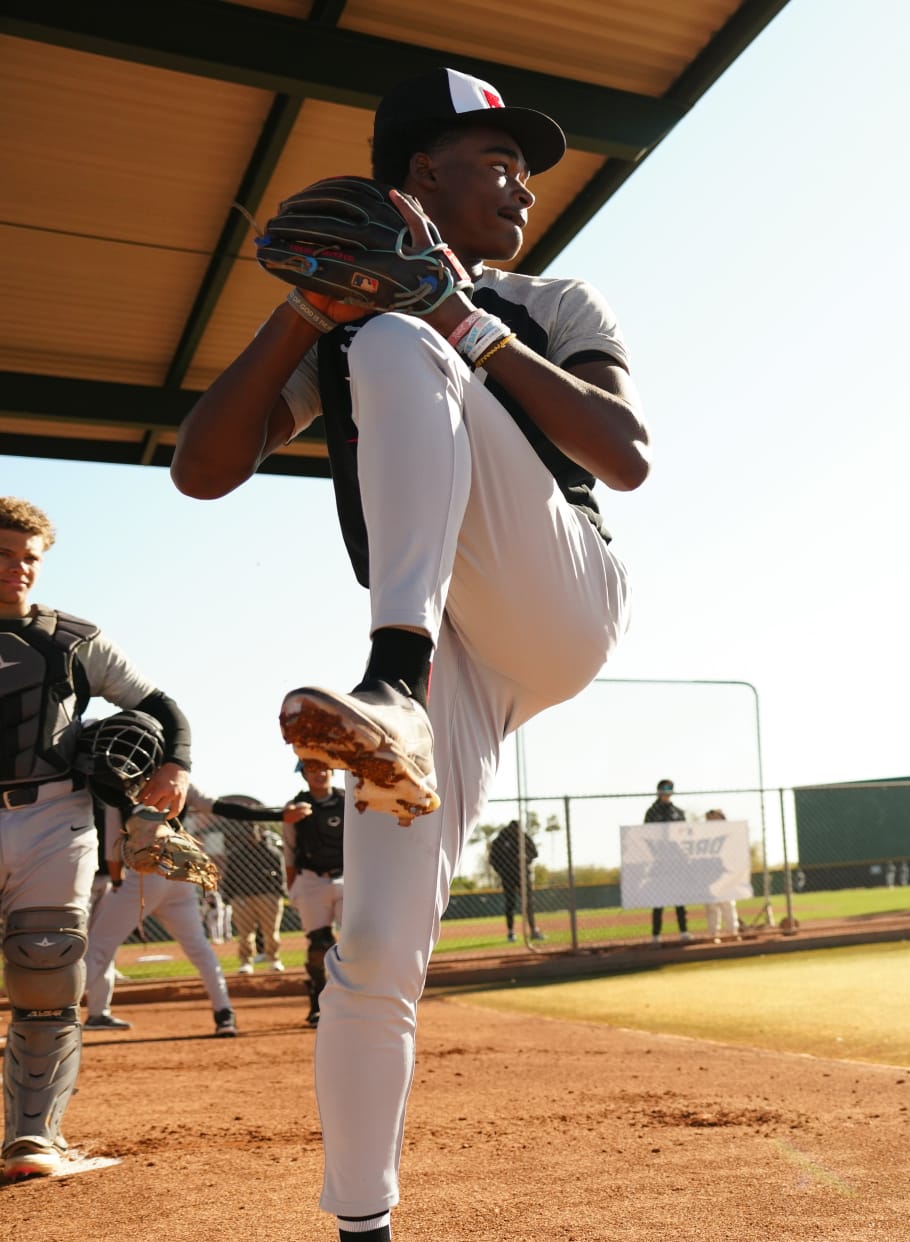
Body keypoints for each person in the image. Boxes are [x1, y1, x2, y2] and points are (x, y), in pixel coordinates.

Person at [171, 68, 646, 1240]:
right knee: (373, 949)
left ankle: (389, 674)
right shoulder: (346, 326)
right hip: (451, 665)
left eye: (523, 166)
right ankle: (362, 1225)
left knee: (401, 334)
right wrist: (299, 308)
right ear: (416, 174)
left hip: (558, 593)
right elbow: (201, 467)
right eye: (494, 159)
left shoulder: (550, 298)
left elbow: (625, 455)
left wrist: (453, 313)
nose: (523, 183)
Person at [0, 498, 196, 1181]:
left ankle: (32, 1138)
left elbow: (158, 708)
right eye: (3, 554)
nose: (17, 569)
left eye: (29, 558)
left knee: (45, 967)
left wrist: (176, 766)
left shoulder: (75, 640)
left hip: (56, 817)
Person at [82, 796, 237, 1038]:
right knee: (199, 949)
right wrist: (277, 815)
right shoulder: (178, 779)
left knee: (99, 948)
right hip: (180, 873)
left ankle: (54, 1011)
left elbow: (114, 853)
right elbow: (218, 806)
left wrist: (118, 885)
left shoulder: (117, 791)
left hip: (144, 878)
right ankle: (224, 1014)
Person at [282, 760, 348, 1027]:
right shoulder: (296, 808)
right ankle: (319, 1004)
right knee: (319, 943)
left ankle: (353, 1000)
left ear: (332, 770)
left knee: (355, 939)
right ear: (303, 774)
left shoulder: (350, 802)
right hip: (311, 880)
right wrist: (293, 886)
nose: (319, 773)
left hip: (347, 877)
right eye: (311, 768)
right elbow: (289, 849)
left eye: (323, 768)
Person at [210, 796, 290, 973]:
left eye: (253, 830)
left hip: (268, 895)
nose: (251, 834)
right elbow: (229, 876)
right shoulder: (236, 854)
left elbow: (281, 874)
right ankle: (246, 962)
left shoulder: (271, 851)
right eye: (247, 831)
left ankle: (274, 959)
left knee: (271, 932)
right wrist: (228, 896)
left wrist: (279, 892)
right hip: (242, 897)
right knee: (245, 934)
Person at [644, 780, 689, 943]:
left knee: (679, 899)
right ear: (657, 791)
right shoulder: (652, 812)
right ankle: (656, 935)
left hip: (677, 862)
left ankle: (684, 931)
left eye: (669, 789)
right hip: (659, 862)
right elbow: (646, 835)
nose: (666, 791)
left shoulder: (677, 811)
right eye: (663, 789)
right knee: (659, 900)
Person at [488, 820, 543, 943]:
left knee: (528, 902)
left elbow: (535, 853)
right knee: (510, 904)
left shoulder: (523, 837)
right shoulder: (500, 840)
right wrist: (502, 871)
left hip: (523, 875)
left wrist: (526, 857)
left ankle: (533, 930)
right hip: (507, 876)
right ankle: (511, 932)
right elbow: (492, 860)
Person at [700, 809, 739, 941]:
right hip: (708, 875)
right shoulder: (703, 837)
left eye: (715, 819)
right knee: (711, 907)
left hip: (725, 875)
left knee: (728, 904)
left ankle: (733, 933)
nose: (712, 822)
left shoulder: (730, 835)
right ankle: (713, 935)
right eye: (709, 820)